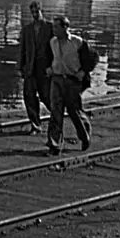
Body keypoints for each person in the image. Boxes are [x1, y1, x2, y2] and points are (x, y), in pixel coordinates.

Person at [46, 15, 92, 155]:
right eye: (53, 26)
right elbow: (48, 57)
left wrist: (83, 72)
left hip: (72, 81)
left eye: (56, 27)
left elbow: (91, 58)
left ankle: (85, 135)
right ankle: (54, 144)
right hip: (57, 80)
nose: (53, 29)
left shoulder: (78, 42)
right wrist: (48, 68)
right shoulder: (52, 42)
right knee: (56, 111)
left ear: (65, 27)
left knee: (74, 112)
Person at [17, 1, 54, 133]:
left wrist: (54, 67)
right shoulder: (27, 30)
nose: (34, 15)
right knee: (29, 96)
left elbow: (55, 50)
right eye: (32, 12)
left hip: (45, 69)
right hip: (30, 69)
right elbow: (22, 49)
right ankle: (35, 125)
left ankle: (57, 116)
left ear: (41, 11)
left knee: (46, 96)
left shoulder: (50, 28)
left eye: (36, 12)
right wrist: (20, 67)